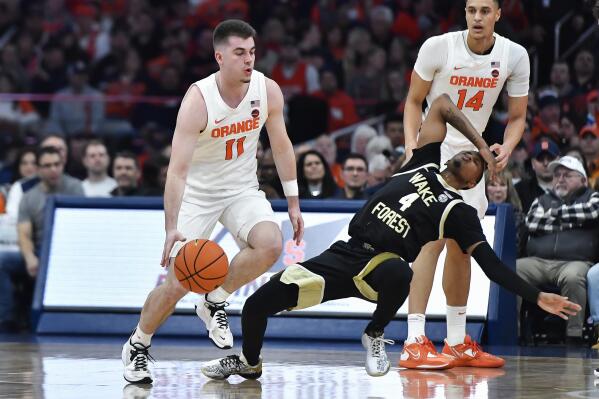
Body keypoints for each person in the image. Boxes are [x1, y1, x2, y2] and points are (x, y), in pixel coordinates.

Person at [200, 94, 579, 380]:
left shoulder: (458, 211)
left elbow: (492, 266)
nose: (471, 156)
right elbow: (444, 105)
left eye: (477, 162)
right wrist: (482, 144)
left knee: (402, 272)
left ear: (473, 181)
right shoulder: (422, 161)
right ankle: (250, 364)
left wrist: (536, 295)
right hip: (343, 255)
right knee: (256, 306)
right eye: (469, 153)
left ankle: (375, 334)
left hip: (380, 269)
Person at [121, 20, 304, 384]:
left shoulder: (267, 89)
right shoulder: (197, 101)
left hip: (241, 189)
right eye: (240, 53)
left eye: (252, 52)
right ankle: (138, 344)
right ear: (219, 57)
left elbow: (281, 146)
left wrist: (294, 202)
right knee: (176, 283)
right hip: (197, 195)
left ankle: (214, 299)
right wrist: (172, 227)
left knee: (270, 244)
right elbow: (177, 172)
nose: (249, 60)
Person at [402, 0, 530, 368]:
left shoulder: (514, 55)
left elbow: (518, 116)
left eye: (485, 11)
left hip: (473, 157)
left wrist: (506, 146)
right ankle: (414, 340)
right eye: (471, 10)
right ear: (464, 13)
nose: (477, 17)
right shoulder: (437, 46)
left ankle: (456, 341)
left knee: (464, 246)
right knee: (432, 242)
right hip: (434, 151)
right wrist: (414, 148)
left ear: (498, 15)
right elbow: (413, 102)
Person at [517, 155, 599, 344]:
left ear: (583, 179)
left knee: (573, 277)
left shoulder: (593, 197)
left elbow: (592, 212)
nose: (560, 179)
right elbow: (532, 223)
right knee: (513, 270)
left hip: (575, 261)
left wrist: (553, 215)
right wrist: (573, 222)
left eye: (567, 175)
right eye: (557, 175)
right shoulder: (542, 199)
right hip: (538, 261)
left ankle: (574, 336)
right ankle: (514, 332)